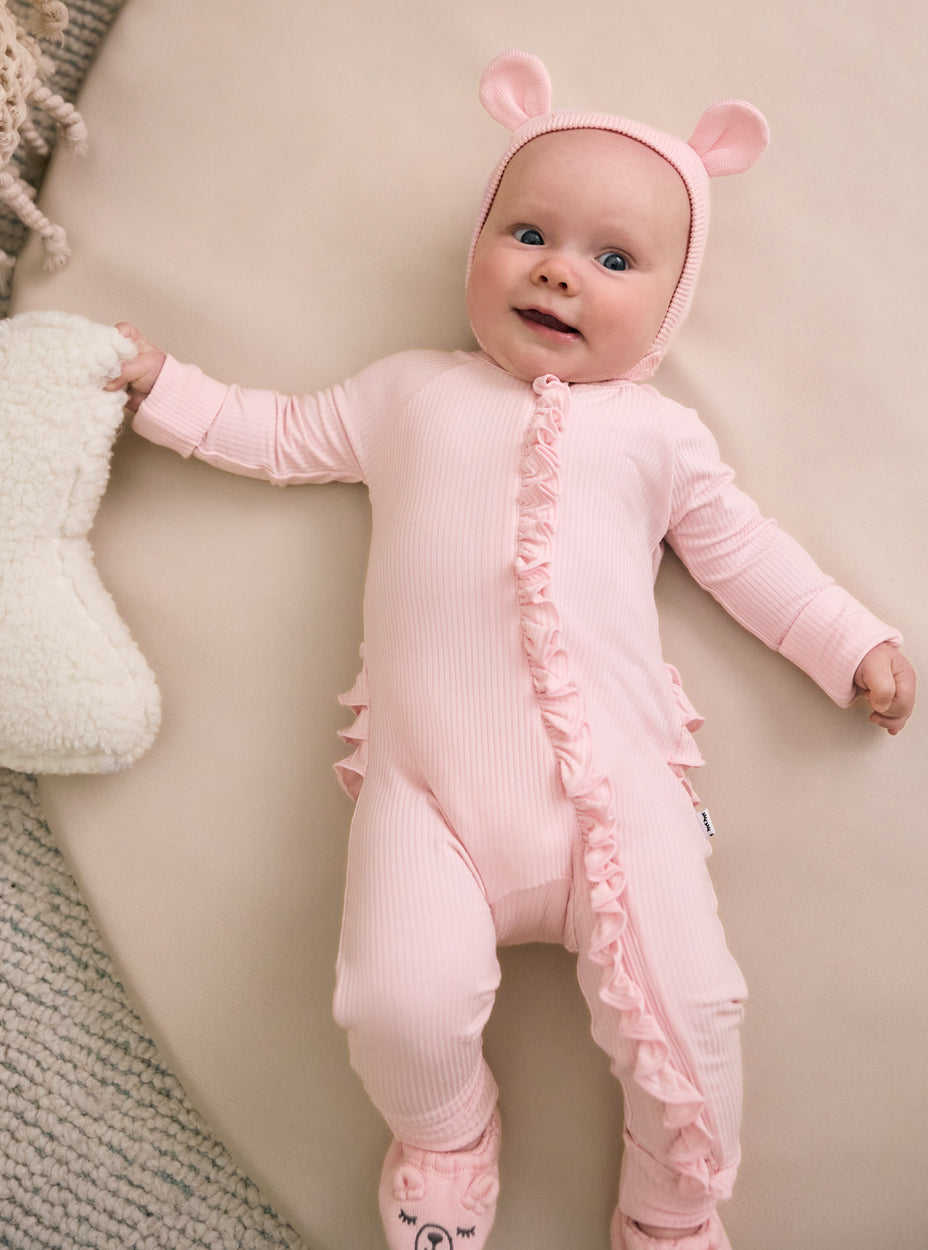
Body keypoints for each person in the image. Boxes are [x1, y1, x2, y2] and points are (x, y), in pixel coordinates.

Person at [108, 51, 915, 1250]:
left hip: (621, 799)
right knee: (392, 996)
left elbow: (747, 557)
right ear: (478, 246)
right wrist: (159, 384)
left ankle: (672, 1201)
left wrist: (850, 641)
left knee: (694, 1009)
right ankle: (444, 1135)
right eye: (527, 231)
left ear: (669, 301)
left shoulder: (658, 435)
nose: (557, 269)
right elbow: (271, 433)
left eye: (612, 258)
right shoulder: (407, 395)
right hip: (428, 794)